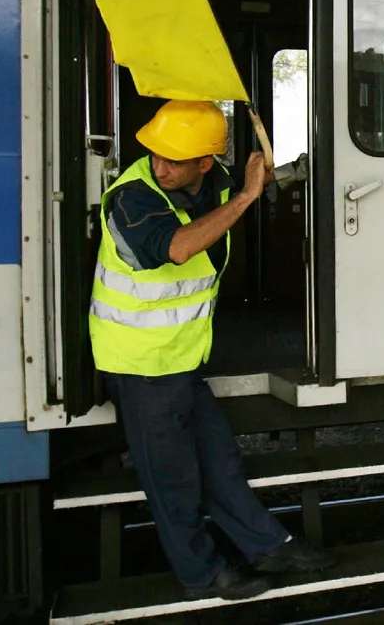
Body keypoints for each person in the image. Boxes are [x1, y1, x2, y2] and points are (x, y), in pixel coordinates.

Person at [88, 99, 332, 601]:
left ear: (205, 162)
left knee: (221, 463)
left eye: (175, 159)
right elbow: (178, 247)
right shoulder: (133, 198)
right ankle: (201, 575)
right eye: (156, 154)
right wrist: (246, 197)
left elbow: (261, 178)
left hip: (180, 360)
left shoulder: (213, 180)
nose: (161, 166)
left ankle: (267, 546)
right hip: (140, 364)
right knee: (173, 482)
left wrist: (281, 168)